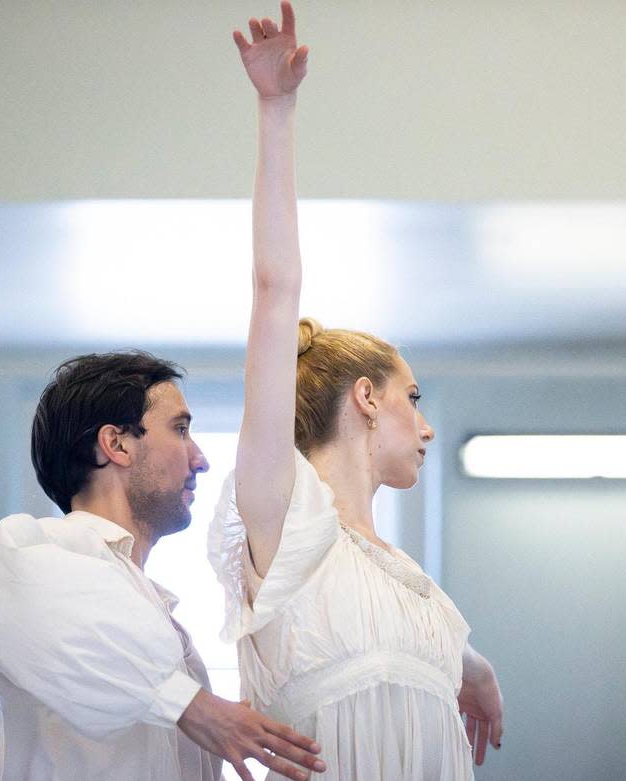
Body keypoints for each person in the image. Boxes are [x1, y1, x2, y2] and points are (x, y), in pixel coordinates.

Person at [208, 4, 504, 779]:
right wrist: (277, 109)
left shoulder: (414, 586)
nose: (428, 427)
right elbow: (276, 291)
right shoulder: (285, 518)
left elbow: (417, 642)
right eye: (415, 397)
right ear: (367, 397)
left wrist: (470, 666)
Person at [0, 351, 327, 781]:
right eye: (180, 429)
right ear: (117, 443)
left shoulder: (147, 605)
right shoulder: (47, 548)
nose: (200, 459)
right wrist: (188, 704)